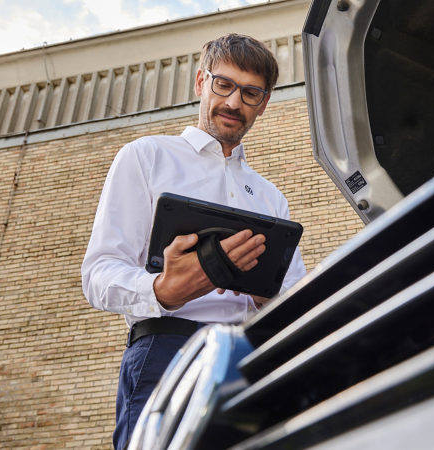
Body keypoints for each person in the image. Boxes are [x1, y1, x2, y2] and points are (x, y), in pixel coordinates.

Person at [81, 34, 307, 449]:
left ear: (264, 103)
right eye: (224, 85)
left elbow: (293, 300)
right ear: (201, 82)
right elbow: (98, 274)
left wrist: (261, 295)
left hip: (251, 361)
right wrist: (163, 289)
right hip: (166, 351)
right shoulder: (147, 156)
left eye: (251, 93)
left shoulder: (272, 197)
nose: (235, 103)